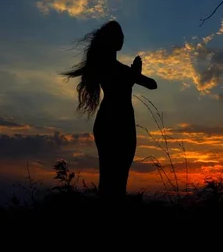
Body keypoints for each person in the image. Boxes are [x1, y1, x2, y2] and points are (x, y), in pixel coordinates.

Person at [62, 20, 157, 204]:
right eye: (119, 36)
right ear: (112, 40)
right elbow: (151, 84)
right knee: (116, 177)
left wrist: (134, 74)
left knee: (110, 175)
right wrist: (135, 74)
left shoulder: (107, 67)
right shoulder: (116, 69)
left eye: (122, 36)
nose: (122, 39)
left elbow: (151, 84)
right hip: (119, 122)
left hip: (110, 121)